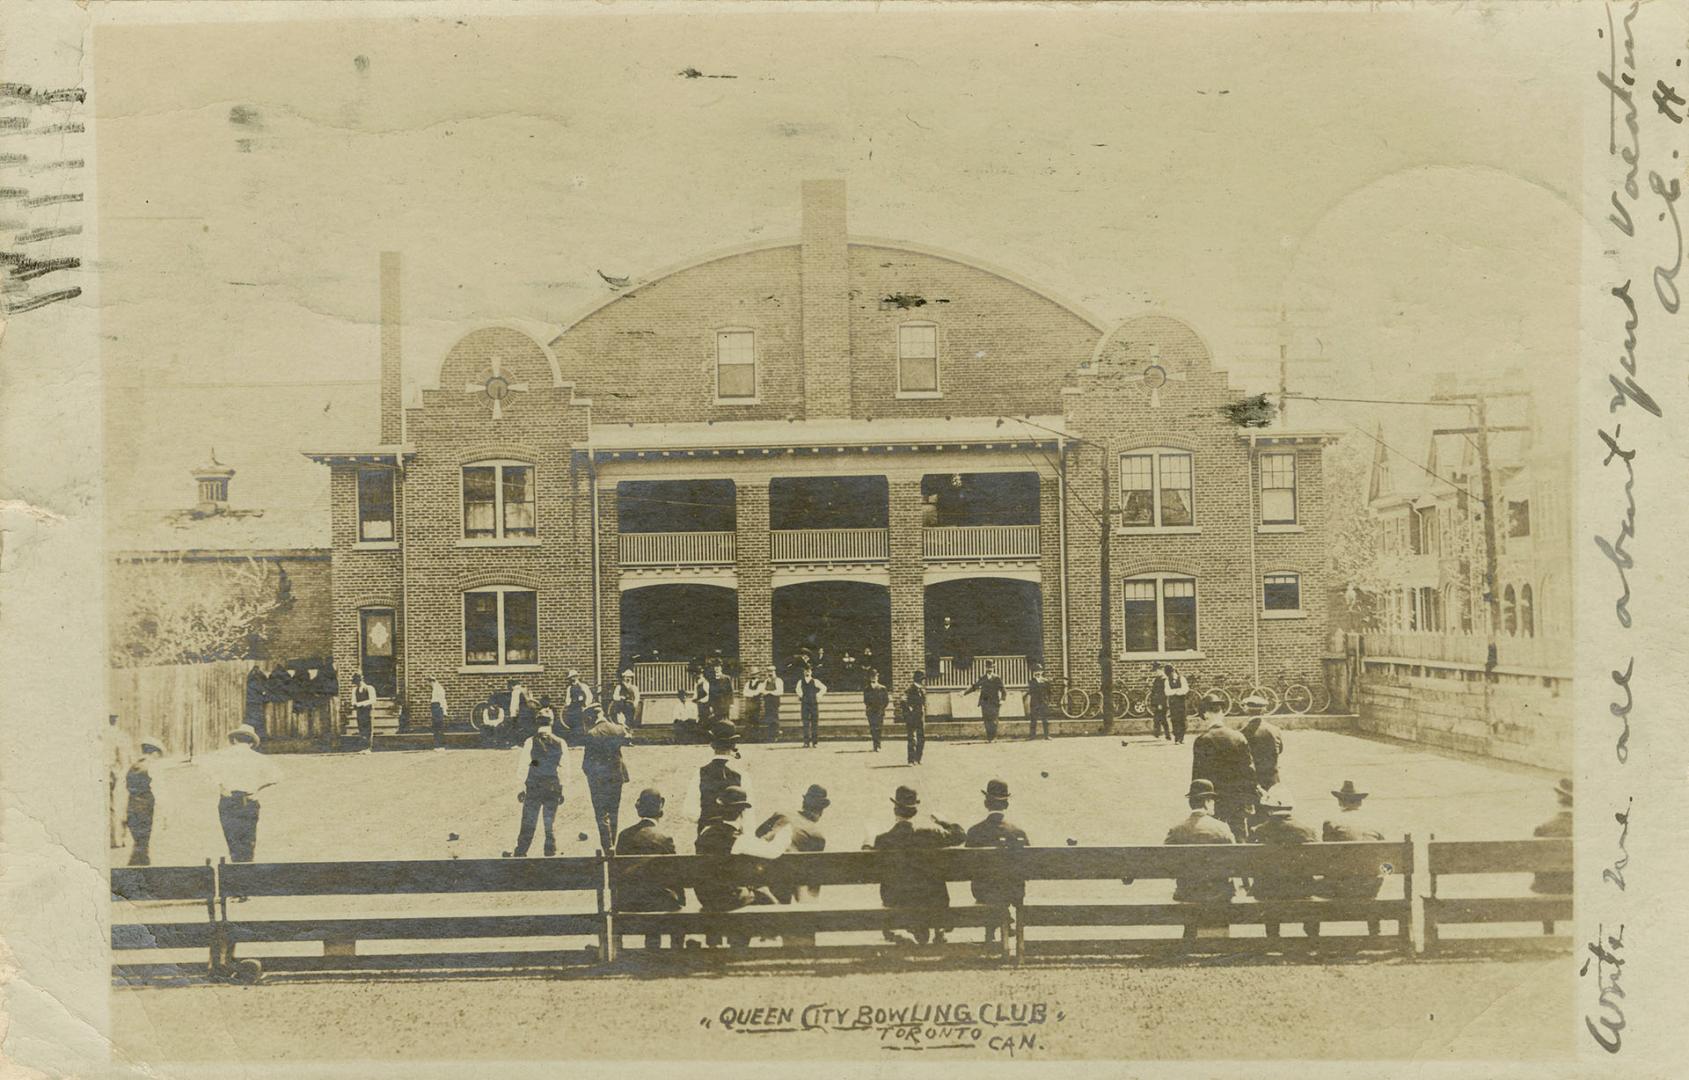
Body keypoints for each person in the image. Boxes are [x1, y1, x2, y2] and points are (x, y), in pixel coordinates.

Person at [695, 785, 792, 947]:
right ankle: (756, 943)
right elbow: (772, 852)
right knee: (766, 898)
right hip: (727, 897)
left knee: (756, 892)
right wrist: (785, 834)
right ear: (741, 812)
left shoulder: (707, 831)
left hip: (705, 895)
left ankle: (722, 944)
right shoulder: (736, 839)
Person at [869, 785, 966, 945]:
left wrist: (868, 844)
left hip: (898, 901)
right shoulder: (932, 834)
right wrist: (944, 821)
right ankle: (937, 928)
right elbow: (960, 835)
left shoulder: (884, 839)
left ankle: (903, 928)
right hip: (932, 901)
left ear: (895, 810)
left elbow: (870, 867)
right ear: (915, 811)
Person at [756, 784, 831, 947]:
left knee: (781, 873)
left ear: (804, 802)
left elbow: (757, 835)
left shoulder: (781, 814)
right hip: (787, 878)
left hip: (761, 873)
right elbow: (813, 877)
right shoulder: (817, 835)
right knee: (800, 881)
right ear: (821, 810)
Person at [1163, 779, 1237, 940]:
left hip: (1188, 891)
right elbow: (1235, 860)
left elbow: (1165, 862)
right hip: (1218, 892)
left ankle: (1190, 937)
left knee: (1193, 891)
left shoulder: (1176, 830)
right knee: (1222, 887)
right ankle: (1220, 939)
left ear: (1191, 802)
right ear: (1207, 801)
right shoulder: (1222, 828)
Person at [614, 788, 685, 951]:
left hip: (629, 901)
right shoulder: (664, 838)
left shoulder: (624, 836)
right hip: (660, 901)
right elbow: (676, 874)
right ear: (660, 809)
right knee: (664, 895)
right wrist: (681, 900)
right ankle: (676, 951)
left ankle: (651, 947)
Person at [1315, 779, 1387, 936]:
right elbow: (1385, 856)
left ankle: (1313, 937)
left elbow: (1326, 856)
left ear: (1340, 801)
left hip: (1340, 886)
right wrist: (1380, 875)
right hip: (1370, 886)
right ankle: (1374, 931)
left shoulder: (1331, 822)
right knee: (1367, 869)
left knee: (1310, 885)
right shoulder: (1376, 821)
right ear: (1360, 802)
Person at [965, 779, 1031, 944]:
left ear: (986, 803)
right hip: (1013, 891)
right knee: (1005, 884)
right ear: (1006, 804)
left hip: (983, 890)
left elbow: (967, 866)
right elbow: (1029, 864)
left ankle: (993, 927)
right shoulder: (1018, 832)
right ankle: (1004, 918)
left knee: (990, 884)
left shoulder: (975, 832)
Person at [1248, 789, 1320, 938]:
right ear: (1290, 808)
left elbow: (1250, 863)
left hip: (1269, 891)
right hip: (1302, 889)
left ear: (1269, 810)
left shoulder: (1259, 831)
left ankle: (1273, 935)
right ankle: (1313, 936)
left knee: (1267, 883)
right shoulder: (1307, 831)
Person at [206, 725, 281, 863]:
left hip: (228, 800)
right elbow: (276, 777)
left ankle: (236, 871)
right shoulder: (259, 758)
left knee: (233, 842)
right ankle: (246, 874)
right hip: (249, 800)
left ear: (234, 740)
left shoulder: (220, 756)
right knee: (248, 842)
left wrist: (221, 786)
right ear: (251, 743)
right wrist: (258, 788)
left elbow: (209, 773)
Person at [1190, 693, 1257, 840]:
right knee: (1239, 835)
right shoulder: (1239, 737)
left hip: (1214, 799)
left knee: (1215, 837)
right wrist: (1249, 799)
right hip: (1237, 798)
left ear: (1206, 714)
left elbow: (1198, 777)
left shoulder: (1202, 740)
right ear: (1221, 712)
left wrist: (1200, 803)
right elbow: (1249, 772)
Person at [507, 714, 567, 858]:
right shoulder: (560, 742)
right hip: (552, 785)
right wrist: (562, 788)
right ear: (552, 723)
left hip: (534, 785)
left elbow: (524, 765)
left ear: (536, 723)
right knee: (549, 820)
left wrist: (521, 787)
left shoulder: (530, 742)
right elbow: (564, 767)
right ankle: (550, 851)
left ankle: (521, 851)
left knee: (529, 819)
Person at [579, 704, 632, 852]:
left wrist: (590, 775)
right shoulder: (617, 729)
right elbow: (628, 736)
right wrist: (622, 723)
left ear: (591, 717)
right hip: (616, 776)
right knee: (614, 811)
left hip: (599, 778)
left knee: (601, 813)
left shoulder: (592, 734)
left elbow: (586, 763)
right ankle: (613, 843)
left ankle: (607, 845)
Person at [694, 721, 748, 834]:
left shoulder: (701, 772)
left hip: (707, 835)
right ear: (733, 745)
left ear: (712, 745)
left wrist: (708, 821)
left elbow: (689, 811)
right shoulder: (740, 773)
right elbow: (748, 813)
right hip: (734, 835)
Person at [1531, 777, 1574, 900]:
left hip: (1546, 888)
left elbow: (1535, 866)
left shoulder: (1543, 828)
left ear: (1559, 800)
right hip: (1576, 887)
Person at [124, 736, 165, 866]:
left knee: (139, 844)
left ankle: (138, 869)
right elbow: (158, 790)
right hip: (147, 809)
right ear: (154, 753)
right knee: (144, 847)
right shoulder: (152, 767)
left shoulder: (134, 766)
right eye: (158, 755)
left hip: (132, 808)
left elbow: (127, 787)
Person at [1240, 695, 1284, 790]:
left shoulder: (1243, 733)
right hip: (1273, 780)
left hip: (1254, 783)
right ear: (1263, 710)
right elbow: (1280, 750)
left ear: (1246, 710)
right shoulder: (1275, 730)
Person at [964, 659, 1007, 743]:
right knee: (986, 720)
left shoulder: (997, 678)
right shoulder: (983, 677)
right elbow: (975, 686)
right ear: (985, 668)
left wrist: (1002, 700)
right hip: (985, 702)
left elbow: (1003, 691)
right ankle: (989, 737)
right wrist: (964, 693)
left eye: (991, 667)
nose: (989, 669)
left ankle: (994, 737)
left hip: (994, 702)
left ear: (993, 668)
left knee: (994, 720)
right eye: (988, 667)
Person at [794, 665, 827, 748]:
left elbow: (824, 688)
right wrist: (802, 695)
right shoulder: (800, 681)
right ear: (803, 672)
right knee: (805, 722)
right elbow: (797, 690)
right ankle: (806, 742)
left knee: (814, 722)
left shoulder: (815, 681)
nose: (807, 672)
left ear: (811, 672)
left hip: (813, 703)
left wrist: (818, 695)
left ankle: (815, 742)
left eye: (809, 670)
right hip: (805, 703)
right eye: (805, 670)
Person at [902, 670, 929, 765]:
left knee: (921, 737)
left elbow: (924, 704)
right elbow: (903, 701)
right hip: (912, 717)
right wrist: (909, 711)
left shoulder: (922, 690)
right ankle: (911, 759)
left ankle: (918, 758)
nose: (923, 681)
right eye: (922, 679)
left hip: (921, 717)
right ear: (918, 679)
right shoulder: (910, 690)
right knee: (912, 738)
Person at [862, 670, 890, 751]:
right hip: (871, 711)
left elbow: (886, 700)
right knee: (873, 728)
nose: (874, 678)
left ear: (878, 677)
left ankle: (878, 744)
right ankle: (875, 744)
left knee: (879, 727)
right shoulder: (867, 689)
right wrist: (870, 707)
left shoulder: (882, 688)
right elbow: (865, 700)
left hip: (880, 711)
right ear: (870, 678)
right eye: (872, 676)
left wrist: (882, 708)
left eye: (875, 676)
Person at [1025, 663, 1053, 740]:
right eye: (1036, 671)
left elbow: (1049, 692)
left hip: (1043, 702)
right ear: (1033, 673)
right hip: (1035, 702)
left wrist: (1048, 701)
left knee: (1045, 720)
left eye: (1039, 671)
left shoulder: (1045, 681)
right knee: (1033, 719)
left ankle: (1046, 735)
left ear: (1042, 672)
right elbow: (1031, 691)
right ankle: (1032, 736)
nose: (1037, 673)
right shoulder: (1031, 682)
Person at [562, 670, 594, 740]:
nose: (572, 679)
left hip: (582, 707)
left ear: (577, 677)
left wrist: (586, 705)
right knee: (573, 722)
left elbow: (589, 696)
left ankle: (583, 737)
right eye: (571, 678)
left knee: (583, 722)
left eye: (574, 677)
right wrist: (568, 705)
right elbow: (568, 698)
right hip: (573, 707)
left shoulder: (583, 686)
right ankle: (575, 738)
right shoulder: (569, 688)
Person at [1164, 665, 1190, 744]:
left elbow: (1185, 689)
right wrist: (1177, 691)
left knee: (1182, 719)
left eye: (1172, 672)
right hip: (1173, 703)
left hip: (1181, 702)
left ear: (1174, 671)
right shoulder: (1167, 681)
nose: (1172, 674)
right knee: (1175, 720)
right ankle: (1177, 738)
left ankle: (1182, 737)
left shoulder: (1182, 679)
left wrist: (1176, 692)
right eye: (1169, 673)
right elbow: (1167, 691)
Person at [351, 673, 376, 752]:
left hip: (368, 711)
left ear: (361, 680)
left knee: (368, 728)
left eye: (357, 681)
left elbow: (373, 700)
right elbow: (353, 700)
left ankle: (369, 747)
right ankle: (363, 747)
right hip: (360, 711)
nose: (356, 684)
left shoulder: (369, 688)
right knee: (361, 728)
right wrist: (354, 704)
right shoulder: (355, 690)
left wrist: (360, 704)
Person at [706, 660, 735, 728]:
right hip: (715, 704)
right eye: (715, 667)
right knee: (716, 720)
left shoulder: (726, 678)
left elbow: (730, 691)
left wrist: (731, 703)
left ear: (721, 667)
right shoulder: (712, 679)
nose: (717, 668)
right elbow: (710, 692)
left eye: (718, 666)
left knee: (725, 721)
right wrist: (710, 705)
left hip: (724, 703)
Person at [1148, 665, 1171, 741]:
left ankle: (1166, 734)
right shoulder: (1157, 679)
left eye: (1157, 671)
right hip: (1157, 702)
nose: (1156, 673)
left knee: (1162, 718)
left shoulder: (1165, 680)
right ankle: (1158, 733)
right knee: (1157, 718)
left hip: (1162, 702)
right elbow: (1154, 691)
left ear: (1161, 670)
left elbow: (1163, 694)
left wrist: (1160, 704)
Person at [429, 677, 449, 751]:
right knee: (436, 727)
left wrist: (444, 711)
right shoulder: (435, 689)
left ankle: (440, 745)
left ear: (432, 682)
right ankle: (437, 745)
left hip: (437, 708)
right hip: (435, 708)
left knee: (438, 727)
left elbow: (442, 701)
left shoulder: (439, 689)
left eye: (429, 683)